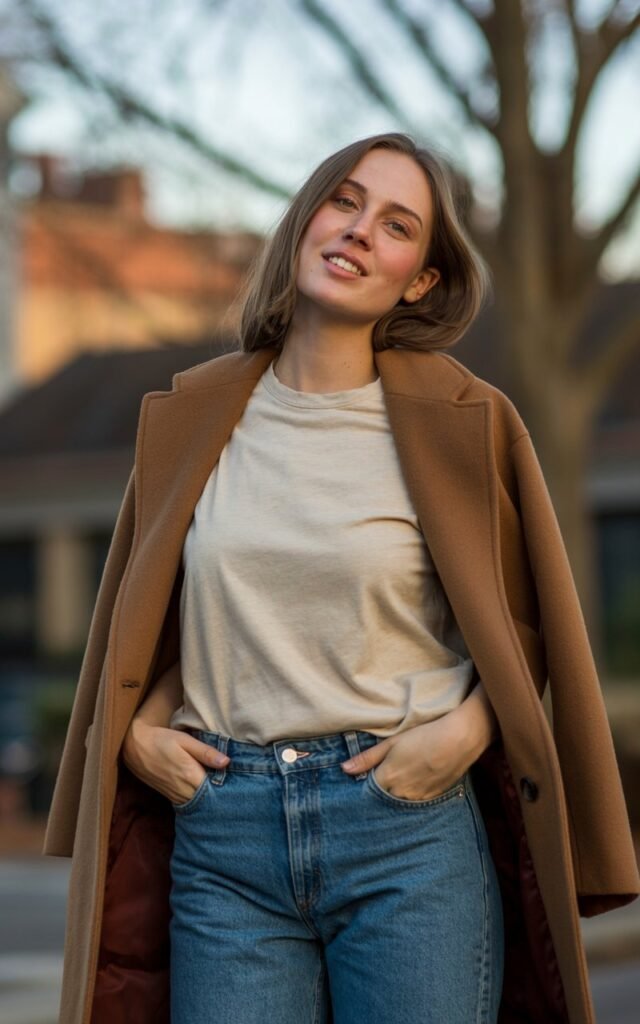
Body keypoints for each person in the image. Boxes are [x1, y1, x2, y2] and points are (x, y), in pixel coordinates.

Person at [43, 133, 639, 1024]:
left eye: (396, 226)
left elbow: (527, 625)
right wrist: (135, 735)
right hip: (224, 837)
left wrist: (464, 734)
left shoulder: (466, 423)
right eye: (345, 201)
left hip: (407, 829)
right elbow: (168, 625)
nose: (359, 231)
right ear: (305, 220)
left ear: (419, 281)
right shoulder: (187, 416)